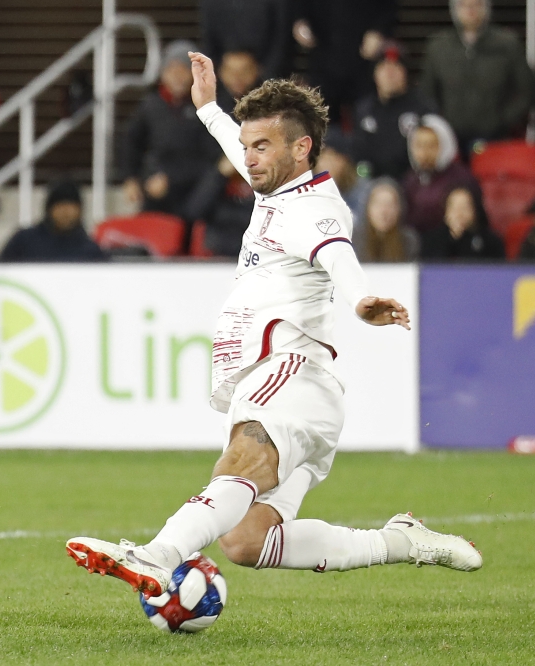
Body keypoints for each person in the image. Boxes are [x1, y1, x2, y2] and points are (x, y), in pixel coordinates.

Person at [67, 53, 481, 597]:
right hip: (292, 387)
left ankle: (157, 555)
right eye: (246, 147)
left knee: (241, 459)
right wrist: (209, 110)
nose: (249, 159)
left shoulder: (317, 209)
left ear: (301, 147)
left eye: (261, 147)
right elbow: (244, 154)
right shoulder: (277, 187)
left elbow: (338, 255)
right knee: (246, 542)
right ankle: (398, 542)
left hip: (291, 370)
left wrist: (360, 301)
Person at [121, 39, 221, 222]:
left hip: (194, 191)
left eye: (183, 70)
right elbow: (131, 143)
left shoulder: (205, 107)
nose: (177, 76)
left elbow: (210, 157)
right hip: (156, 188)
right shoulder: (150, 106)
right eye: (171, 70)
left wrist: (172, 178)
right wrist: (131, 178)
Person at [419, 0, 534, 155]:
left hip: (497, 140)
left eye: (476, 4)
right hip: (450, 143)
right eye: (463, 5)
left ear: (487, 8)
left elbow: (527, 91)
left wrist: (503, 122)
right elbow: (427, 94)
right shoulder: (438, 47)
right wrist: (441, 126)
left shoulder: (508, 44)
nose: (470, 10)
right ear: (454, 9)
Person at [291, 0, 397, 125]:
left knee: (367, 120)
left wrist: (379, 31)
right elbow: (297, 10)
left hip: (364, 58)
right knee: (322, 122)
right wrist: (298, 21)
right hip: (323, 56)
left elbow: (389, 7)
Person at [353, 41, 436, 180]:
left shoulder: (423, 108)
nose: (389, 73)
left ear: (406, 73)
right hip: (371, 184)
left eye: (396, 66)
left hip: (412, 184)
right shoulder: (363, 110)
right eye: (384, 67)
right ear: (374, 74)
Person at [401, 114, 479, 235]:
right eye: (419, 146)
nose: (423, 153)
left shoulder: (461, 178)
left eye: (431, 146)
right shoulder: (410, 180)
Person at [0, 180, 105, 262]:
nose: (65, 212)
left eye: (71, 206)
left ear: (80, 210)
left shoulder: (90, 250)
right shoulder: (24, 240)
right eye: (59, 206)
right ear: (49, 209)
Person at [200, 0, 292, 82]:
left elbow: (282, 36)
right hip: (223, 76)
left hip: (267, 72)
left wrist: (266, 69)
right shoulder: (211, 3)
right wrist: (218, 69)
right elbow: (209, 37)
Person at [421, 186, 504, 261]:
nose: (459, 213)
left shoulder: (491, 241)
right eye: (454, 208)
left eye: (464, 207)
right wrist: (453, 238)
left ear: (474, 210)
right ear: (445, 211)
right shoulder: (431, 240)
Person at [353, 177, 419, 262]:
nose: (384, 211)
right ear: (367, 208)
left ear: (400, 209)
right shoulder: (353, 240)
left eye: (390, 205)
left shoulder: (408, 241)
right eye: (378, 204)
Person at [315, 128, 369, 227]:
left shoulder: (362, 192)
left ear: (345, 161)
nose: (327, 164)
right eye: (323, 157)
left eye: (332, 157)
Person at [215, 51, 262, 116]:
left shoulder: (269, 108)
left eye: (244, 71)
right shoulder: (211, 107)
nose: (237, 77)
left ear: (257, 71)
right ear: (220, 72)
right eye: (231, 72)